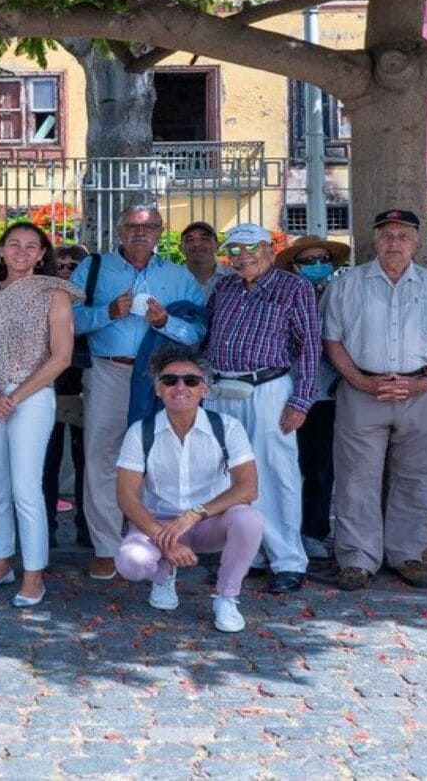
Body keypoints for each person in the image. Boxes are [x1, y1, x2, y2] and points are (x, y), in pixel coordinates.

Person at [321, 208, 427, 591]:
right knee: (356, 478)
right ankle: (356, 558)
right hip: (361, 390)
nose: (394, 243)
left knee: (416, 476)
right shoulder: (346, 285)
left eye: (403, 236)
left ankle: (407, 554)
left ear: (417, 242)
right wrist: (357, 380)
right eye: (387, 235)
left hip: (422, 393)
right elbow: (331, 340)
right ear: (375, 239)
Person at [67, 205, 206, 581]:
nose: (140, 233)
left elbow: (198, 331)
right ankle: (105, 548)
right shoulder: (93, 269)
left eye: (149, 227)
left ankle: (151, 541)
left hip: (161, 379)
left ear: (161, 232)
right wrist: (107, 312)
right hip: (109, 370)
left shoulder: (179, 278)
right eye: (132, 226)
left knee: (157, 458)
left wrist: (168, 322)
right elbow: (68, 321)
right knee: (103, 456)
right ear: (119, 230)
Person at [0, 222, 80, 607]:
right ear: (1, 251)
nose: (22, 252)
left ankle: (33, 574)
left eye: (31, 246)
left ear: (42, 254)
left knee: (26, 487)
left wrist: (12, 397)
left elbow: (61, 356)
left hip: (29, 397)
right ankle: (1, 562)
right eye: (14, 244)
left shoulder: (54, 293)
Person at [203, 223, 322, 594]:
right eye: (234, 250)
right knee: (226, 475)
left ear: (271, 250)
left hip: (268, 388)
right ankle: (247, 554)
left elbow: (310, 347)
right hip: (223, 388)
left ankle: (288, 560)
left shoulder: (294, 287)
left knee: (274, 473)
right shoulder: (224, 287)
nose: (243, 257)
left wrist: (301, 400)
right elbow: (206, 334)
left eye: (251, 248)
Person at [115, 346, 263, 633]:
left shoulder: (228, 427)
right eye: (170, 380)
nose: (180, 387)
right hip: (161, 523)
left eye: (191, 381)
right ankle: (162, 576)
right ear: (158, 389)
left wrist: (194, 514)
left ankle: (227, 597)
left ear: (204, 389)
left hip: (209, 522)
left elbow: (248, 487)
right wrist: (164, 537)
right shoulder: (140, 432)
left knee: (249, 519)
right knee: (131, 563)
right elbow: (126, 496)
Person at [274, 234, 351, 560]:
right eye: (309, 261)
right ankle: (280, 530)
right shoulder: (282, 294)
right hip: (285, 391)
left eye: (323, 260)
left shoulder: (342, 295)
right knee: (282, 464)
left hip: (327, 394)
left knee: (320, 467)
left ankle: (314, 530)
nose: (317, 266)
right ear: (294, 265)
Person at [47, 243, 91, 548]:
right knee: (46, 463)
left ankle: (87, 527)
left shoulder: (92, 300)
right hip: (48, 388)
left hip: (86, 387)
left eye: (73, 265)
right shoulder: (43, 298)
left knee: (87, 463)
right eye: (59, 265)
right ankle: (45, 528)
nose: (66, 271)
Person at [179, 221, 223, 300]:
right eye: (190, 239)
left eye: (205, 239)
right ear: (181, 248)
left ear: (218, 246)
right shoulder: (173, 279)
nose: (197, 244)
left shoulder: (233, 277)